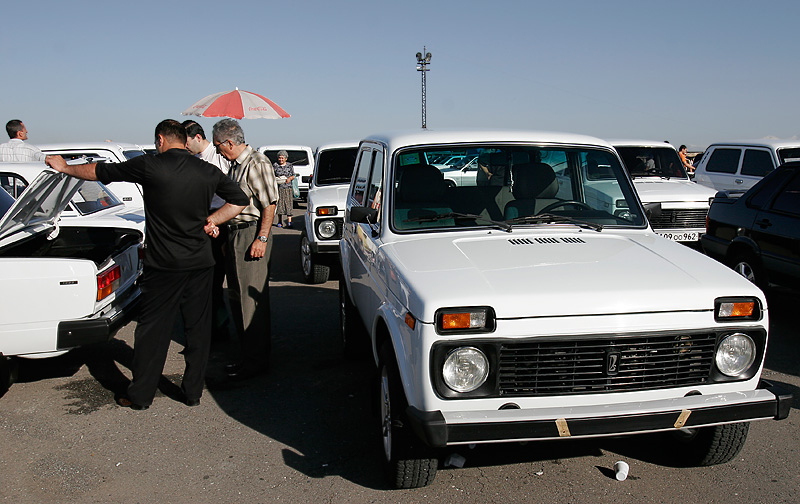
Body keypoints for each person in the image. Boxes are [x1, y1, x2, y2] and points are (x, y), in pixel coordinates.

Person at [46, 119, 249, 410]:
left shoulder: (150, 165)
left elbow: (101, 171)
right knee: (199, 328)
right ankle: (192, 392)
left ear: (161, 140)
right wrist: (213, 220)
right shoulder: (207, 170)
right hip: (201, 261)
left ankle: (141, 395)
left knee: (153, 330)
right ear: (185, 140)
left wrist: (65, 167)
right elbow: (239, 199)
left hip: (164, 263)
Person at [212, 119, 278, 381]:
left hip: (251, 233)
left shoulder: (256, 163)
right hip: (237, 234)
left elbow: (269, 204)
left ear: (230, 142)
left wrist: (261, 238)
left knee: (251, 304)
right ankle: (247, 357)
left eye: (219, 145)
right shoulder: (235, 166)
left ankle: (255, 363)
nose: (217, 151)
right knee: (237, 298)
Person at [183, 120, 232, 341]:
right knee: (204, 282)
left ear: (198, 137)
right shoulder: (192, 160)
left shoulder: (220, 159)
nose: (184, 147)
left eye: (186, 142)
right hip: (202, 222)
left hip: (220, 221)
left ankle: (219, 328)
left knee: (216, 279)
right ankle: (210, 328)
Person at [272, 150, 296, 228]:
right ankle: (279, 221)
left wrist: (289, 179)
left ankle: (289, 221)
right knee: (280, 205)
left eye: (282, 158)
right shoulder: (275, 165)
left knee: (288, 204)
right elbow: (272, 175)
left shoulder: (289, 165)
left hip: (288, 188)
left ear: (286, 158)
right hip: (279, 188)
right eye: (279, 158)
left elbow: (293, 175)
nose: (281, 159)